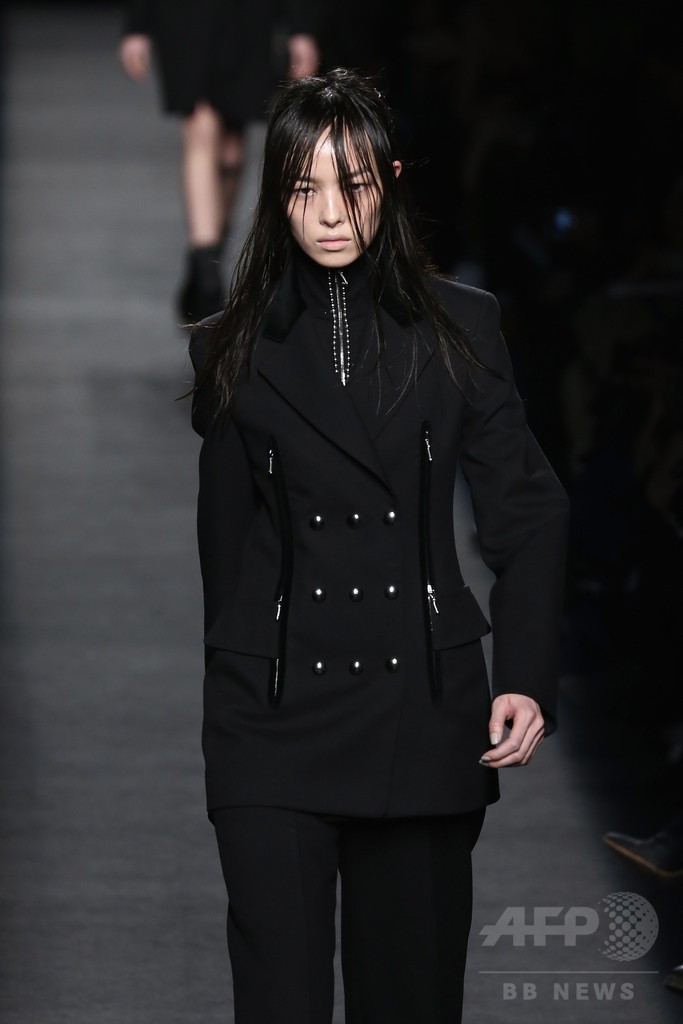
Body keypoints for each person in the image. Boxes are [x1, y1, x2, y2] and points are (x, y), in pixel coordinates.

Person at [188, 69, 569, 1024]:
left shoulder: (461, 329)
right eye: (303, 187)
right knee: (277, 1002)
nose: (329, 214)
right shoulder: (233, 346)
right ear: (276, 193)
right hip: (274, 720)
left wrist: (524, 675)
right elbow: (224, 545)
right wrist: (235, 680)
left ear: (389, 180)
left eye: (351, 185)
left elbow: (526, 511)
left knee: (409, 1003)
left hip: (423, 713)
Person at [118, 1, 318, 321]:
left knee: (231, 153)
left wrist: (300, 27)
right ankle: (207, 276)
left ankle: (206, 255)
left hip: (248, 15)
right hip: (185, 15)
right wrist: (137, 24)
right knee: (201, 130)